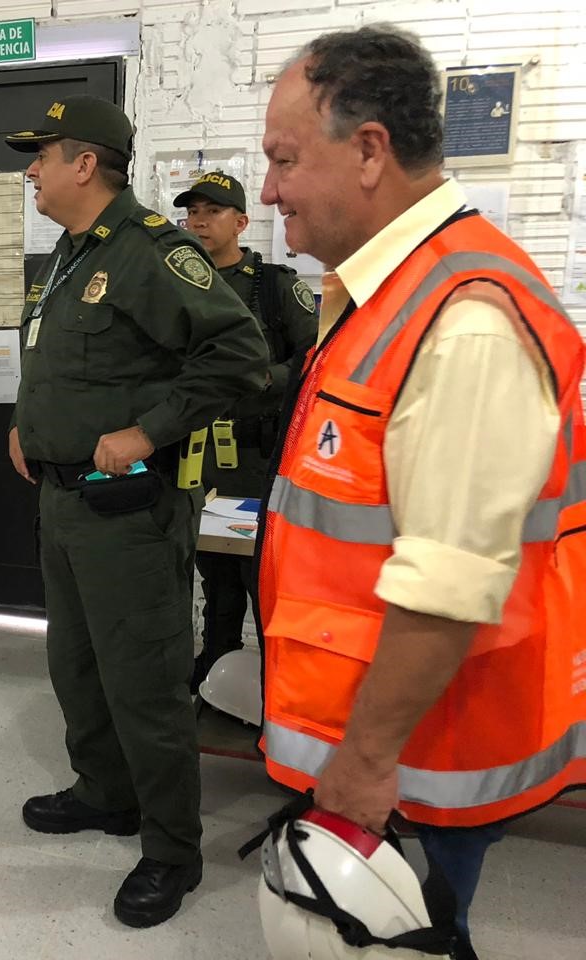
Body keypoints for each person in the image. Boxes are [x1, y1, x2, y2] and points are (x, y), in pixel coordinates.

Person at [256, 25, 586, 959]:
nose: (269, 189)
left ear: (370, 151)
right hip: (385, 737)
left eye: (284, 159)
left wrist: (364, 763)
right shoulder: (384, 291)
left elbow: (450, 579)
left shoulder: (462, 318)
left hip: (417, 759)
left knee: (417, 937)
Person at [3, 96, 269, 927]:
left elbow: (240, 353)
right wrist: (25, 424)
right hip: (62, 501)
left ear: (85, 164)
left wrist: (150, 430)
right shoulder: (68, 255)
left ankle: (172, 850)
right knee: (77, 666)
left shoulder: (152, 250)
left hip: (130, 511)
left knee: (144, 683)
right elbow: (63, 363)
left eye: (42, 155)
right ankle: (105, 792)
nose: (31, 171)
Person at [175, 172, 317, 692]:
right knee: (215, 576)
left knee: (262, 575)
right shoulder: (178, 285)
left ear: (240, 222)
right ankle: (215, 668)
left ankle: (275, 683)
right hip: (199, 456)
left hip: (259, 457)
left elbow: (314, 357)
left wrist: (263, 379)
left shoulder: (275, 286)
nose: (199, 222)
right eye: (192, 212)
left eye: (212, 212)